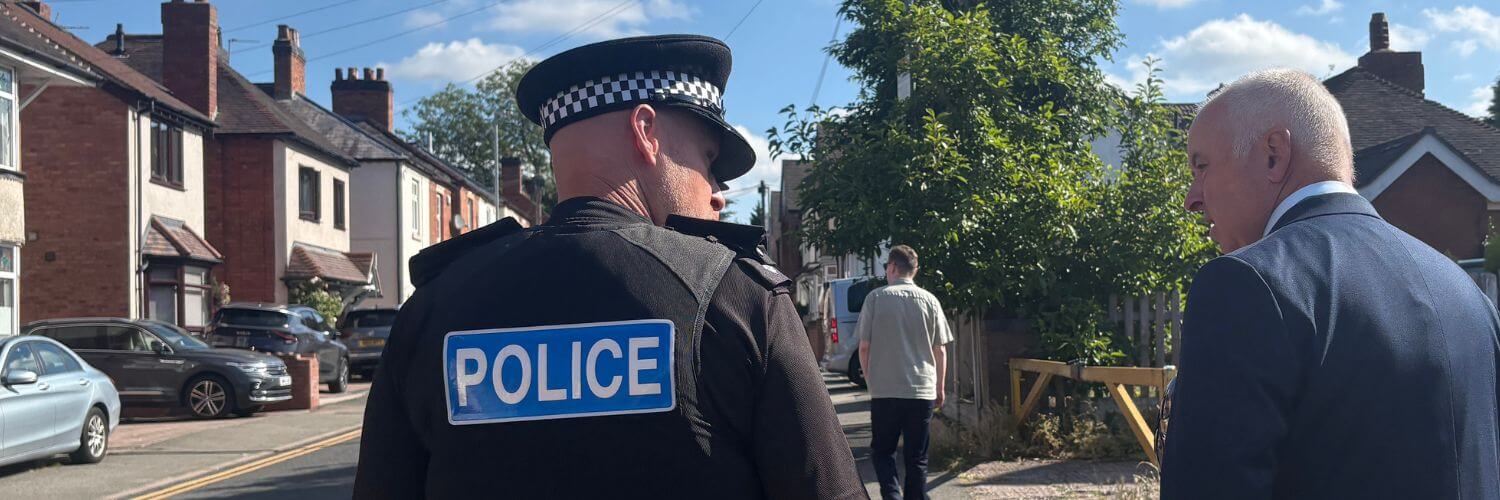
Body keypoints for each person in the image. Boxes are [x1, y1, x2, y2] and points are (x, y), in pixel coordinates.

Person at [353, 35, 865, 499]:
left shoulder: (431, 311)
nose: (718, 196)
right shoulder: (735, 295)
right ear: (645, 132)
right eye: (709, 162)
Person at [1162, 68, 1500, 498]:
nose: (1192, 197)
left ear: (1274, 154)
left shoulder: (1248, 284)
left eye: (1202, 166)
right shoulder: (1466, 292)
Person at [855, 245, 952, 500]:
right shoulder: (930, 300)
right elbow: (940, 350)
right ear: (915, 270)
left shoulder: (875, 299)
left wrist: (870, 380)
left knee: (883, 452)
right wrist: (940, 388)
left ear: (892, 267)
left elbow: (864, 347)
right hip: (921, 390)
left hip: (885, 389)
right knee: (917, 457)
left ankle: (892, 496)